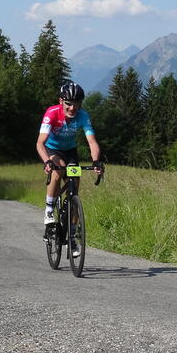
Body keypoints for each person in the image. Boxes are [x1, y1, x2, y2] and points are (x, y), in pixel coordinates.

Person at [36, 82, 104, 240]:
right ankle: (49, 211)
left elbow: (92, 142)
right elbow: (39, 143)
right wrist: (47, 161)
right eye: (68, 103)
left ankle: (72, 234)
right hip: (51, 149)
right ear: (61, 101)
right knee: (59, 169)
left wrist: (96, 161)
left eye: (77, 104)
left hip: (70, 151)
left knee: (74, 186)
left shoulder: (83, 116)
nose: (73, 108)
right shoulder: (52, 113)